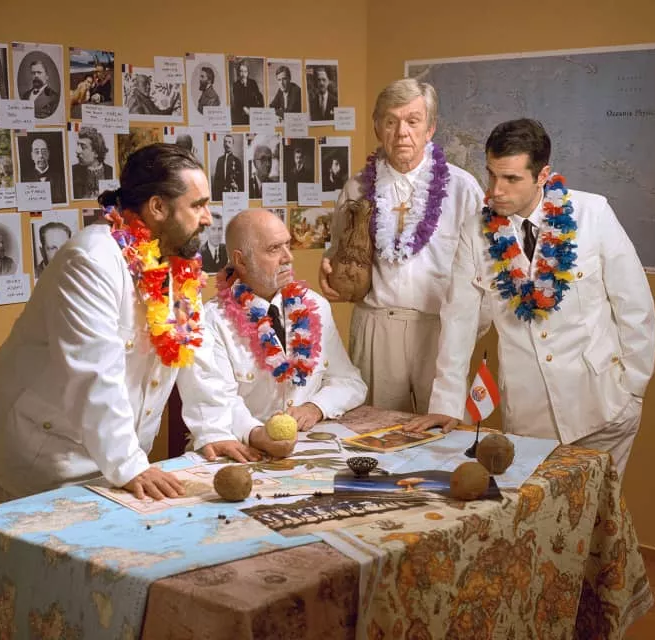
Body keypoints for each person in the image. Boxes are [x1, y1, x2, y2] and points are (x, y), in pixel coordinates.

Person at [0, 144, 214, 502]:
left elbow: (196, 356)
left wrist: (217, 430)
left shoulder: (178, 265)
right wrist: (128, 464)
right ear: (157, 207)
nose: (208, 218)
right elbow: (94, 372)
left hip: (116, 456)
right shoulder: (91, 259)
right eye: (198, 205)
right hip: (44, 458)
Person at [406, 119, 655, 477]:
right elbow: (458, 319)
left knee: (601, 510)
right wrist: (447, 404)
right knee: (538, 511)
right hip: (528, 419)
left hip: (604, 407)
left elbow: (635, 306)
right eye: (492, 175)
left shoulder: (593, 214)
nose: (496, 190)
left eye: (511, 179)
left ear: (542, 176)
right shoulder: (475, 232)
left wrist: (632, 389)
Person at [319, 78, 483, 413]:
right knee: (373, 430)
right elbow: (338, 250)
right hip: (377, 326)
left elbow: (484, 271)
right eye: (391, 122)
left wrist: (466, 331)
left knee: (445, 428)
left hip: (439, 329)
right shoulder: (356, 188)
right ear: (377, 128)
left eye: (413, 121)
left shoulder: (463, 189)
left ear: (430, 128)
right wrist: (330, 271)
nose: (401, 133)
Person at [181, 208, 367, 460]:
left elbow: (350, 382)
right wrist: (256, 434)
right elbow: (216, 401)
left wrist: (315, 407)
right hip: (237, 450)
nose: (288, 257)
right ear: (241, 261)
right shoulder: (212, 320)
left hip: (304, 450)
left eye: (287, 245)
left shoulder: (316, 306)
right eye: (273, 249)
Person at [72, 127, 114, 200]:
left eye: (83, 147)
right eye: (78, 145)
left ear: (96, 152)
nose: (77, 151)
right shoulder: (73, 172)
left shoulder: (111, 171)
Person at [22, 136, 67, 204]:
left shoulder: (61, 179)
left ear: (48, 154)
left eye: (44, 151)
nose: (41, 156)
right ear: (32, 156)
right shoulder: (24, 180)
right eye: (37, 152)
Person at [230, 59, 264, 125]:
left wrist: (260, 109)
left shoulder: (253, 82)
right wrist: (245, 110)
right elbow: (237, 102)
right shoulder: (236, 85)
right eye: (241, 71)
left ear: (248, 72)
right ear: (238, 72)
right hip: (242, 113)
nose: (243, 74)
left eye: (245, 71)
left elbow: (259, 96)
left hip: (253, 111)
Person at [212, 134, 244, 200]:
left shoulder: (237, 161)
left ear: (232, 144)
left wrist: (237, 188)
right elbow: (216, 180)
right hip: (220, 195)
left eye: (229, 142)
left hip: (232, 195)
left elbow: (241, 181)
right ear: (223, 144)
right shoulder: (220, 160)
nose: (227, 144)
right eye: (225, 142)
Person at [200, 209, 227, 273]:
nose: (217, 234)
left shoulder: (227, 250)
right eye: (213, 229)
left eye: (220, 229)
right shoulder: (200, 253)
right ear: (207, 230)